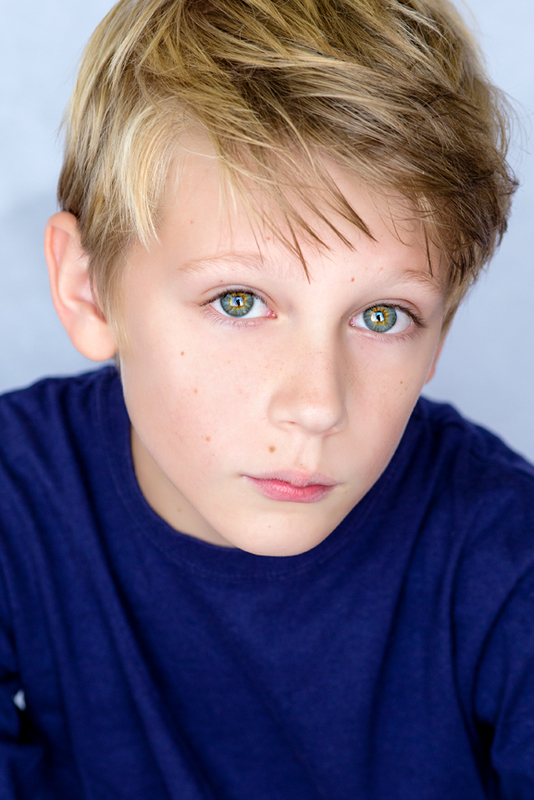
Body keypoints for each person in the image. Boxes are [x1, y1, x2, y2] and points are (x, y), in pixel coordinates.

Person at [0, 0, 531, 797]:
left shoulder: (506, 560)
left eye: (382, 316)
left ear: (440, 334)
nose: (317, 405)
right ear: (88, 290)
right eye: (239, 301)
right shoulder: (18, 500)